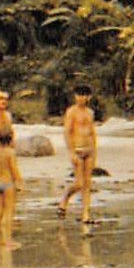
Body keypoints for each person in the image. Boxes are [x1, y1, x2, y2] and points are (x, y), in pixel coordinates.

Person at [57, 86, 98, 225]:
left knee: (87, 184)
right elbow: (67, 132)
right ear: (75, 96)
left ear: (89, 97)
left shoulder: (90, 112)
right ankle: (65, 200)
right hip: (78, 149)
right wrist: (72, 152)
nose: (82, 98)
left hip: (89, 149)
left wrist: (94, 150)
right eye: (79, 95)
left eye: (85, 95)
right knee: (79, 183)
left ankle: (86, 213)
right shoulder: (71, 112)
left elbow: (92, 132)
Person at [0, 127, 24, 248]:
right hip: (8, 183)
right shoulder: (10, 152)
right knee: (8, 211)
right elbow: (14, 169)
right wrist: (20, 182)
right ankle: (8, 240)